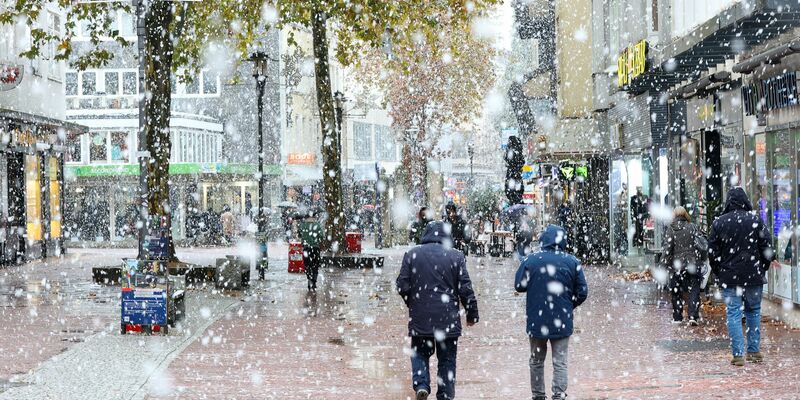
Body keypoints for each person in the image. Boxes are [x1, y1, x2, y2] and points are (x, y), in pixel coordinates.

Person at [396, 221, 479, 400]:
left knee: (419, 352)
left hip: (421, 316)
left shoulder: (412, 254)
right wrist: (471, 313)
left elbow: (402, 285)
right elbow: (465, 288)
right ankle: (445, 394)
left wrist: (413, 302)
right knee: (447, 359)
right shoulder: (456, 256)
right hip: (448, 317)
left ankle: (421, 384)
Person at [514, 224, 588, 400]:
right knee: (560, 362)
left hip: (537, 319)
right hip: (561, 319)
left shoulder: (531, 260)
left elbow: (519, 286)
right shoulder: (572, 262)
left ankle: (538, 395)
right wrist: (569, 305)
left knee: (536, 361)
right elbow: (582, 292)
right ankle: (558, 395)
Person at [709, 187, 774, 366]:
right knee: (754, 311)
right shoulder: (755, 220)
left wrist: (720, 271)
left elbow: (712, 252)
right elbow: (767, 247)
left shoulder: (720, 222)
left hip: (730, 276)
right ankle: (754, 351)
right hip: (753, 275)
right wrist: (762, 267)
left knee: (733, 313)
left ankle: (738, 354)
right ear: (745, 201)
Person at [662, 206, 704, 325]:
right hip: (693, 263)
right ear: (685, 215)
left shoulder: (671, 229)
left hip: (677, 265)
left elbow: (667, 249)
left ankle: (677, 317)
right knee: (694, 289)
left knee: (676, 290)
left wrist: (663, 264)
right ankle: (693, 316)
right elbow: (701, 244)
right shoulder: (693, 227)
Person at [298, 210, 323, 291]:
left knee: (307, 265)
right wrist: (317, 241)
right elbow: (321, 236)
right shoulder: (317, 225)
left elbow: (299, 234)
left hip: (306, 248)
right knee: (315, 265)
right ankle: (314, 281)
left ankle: (309, 279)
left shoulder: (303, 225)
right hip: (316, 248)